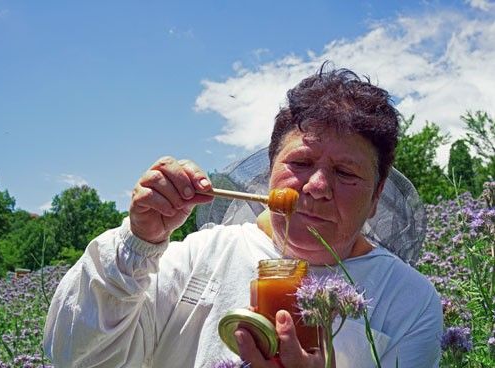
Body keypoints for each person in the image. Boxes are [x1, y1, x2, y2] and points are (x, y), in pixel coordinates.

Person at [43, 64, 443, 368]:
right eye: (301, 162)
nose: (318, 186)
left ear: (376, 196)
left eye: (345, 173)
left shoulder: (409, 300)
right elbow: (74, 356)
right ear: (270, 171)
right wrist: (138, 241)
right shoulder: (200, 256)